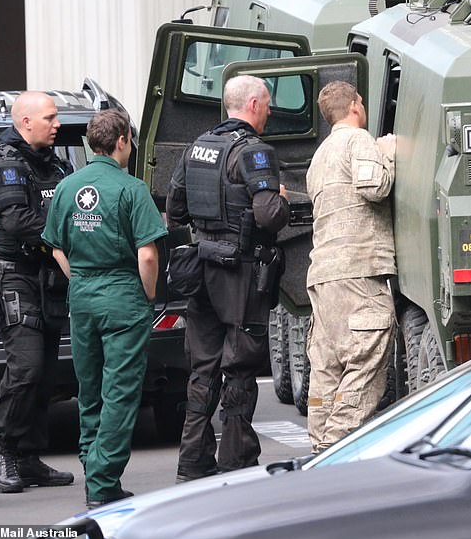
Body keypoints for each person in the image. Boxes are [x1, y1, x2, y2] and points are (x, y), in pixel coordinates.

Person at [42, 109, 167, 508]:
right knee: (121, 391)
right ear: (122, 141)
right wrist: (146, 296)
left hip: (83, 296)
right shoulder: (131, 189)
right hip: (122, 295)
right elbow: (147, 254)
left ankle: (93, 469)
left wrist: (76, 275)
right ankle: (102, 481)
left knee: (90, 388)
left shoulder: (67, 187)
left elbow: (54, 243)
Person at [167, 75, 288, 482]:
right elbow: (269, 214)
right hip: (241, 276)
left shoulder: (196, 148)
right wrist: (283, 201)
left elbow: (175, 210)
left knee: (202, 368)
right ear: (253, 104)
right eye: (268, 103)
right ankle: (235, 460)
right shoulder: (255, 152)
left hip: (201, 270)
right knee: (239, 367)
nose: (270, 111)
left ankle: (192, 460)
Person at [0, 91, 75, 493]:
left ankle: (29, 457)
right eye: (50, 118)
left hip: (51, 278)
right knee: (27, 368)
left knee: (47, 374)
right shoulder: (4, 166)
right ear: (25, 121)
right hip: (16, 276)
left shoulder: (55, 164)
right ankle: (7, 453)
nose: (57, 125)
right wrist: (60, 241)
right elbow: (17, 221)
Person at [305, 80, 396, 453]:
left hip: (324, 275)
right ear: (356, 106)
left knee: (327, 367)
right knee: (367, 353)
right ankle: (337, 447)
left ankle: (317, 446)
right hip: (357, 268)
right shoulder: (359, 141)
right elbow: (375, 187)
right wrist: (385, 154)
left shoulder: (320, 155)